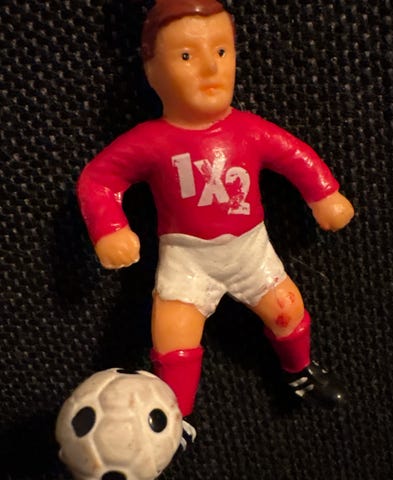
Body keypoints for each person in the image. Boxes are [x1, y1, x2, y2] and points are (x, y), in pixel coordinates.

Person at [77, 0, 354, 431]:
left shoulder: (248, 130)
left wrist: (324, 194)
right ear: (152, 70)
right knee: (171, 335)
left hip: (249, 249)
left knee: (288, 310)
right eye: (187, 56)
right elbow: (98, 179)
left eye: (221, 51)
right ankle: (176, 420)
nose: (210, 68)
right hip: (186, 258)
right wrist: (110, 228)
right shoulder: (151, 141)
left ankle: (299, 370)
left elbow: (294, 156)